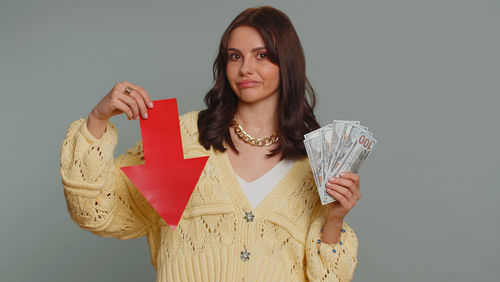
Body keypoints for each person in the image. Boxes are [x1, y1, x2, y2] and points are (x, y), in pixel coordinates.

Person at [60, 6, 361, 282]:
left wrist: (335, 218)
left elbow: (328, 278)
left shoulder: (315, 163)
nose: (246, 69)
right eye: (235, 56)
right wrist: (98, 119)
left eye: (262, 55)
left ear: (286, 64)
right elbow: (93, 211)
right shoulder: (182, 137)